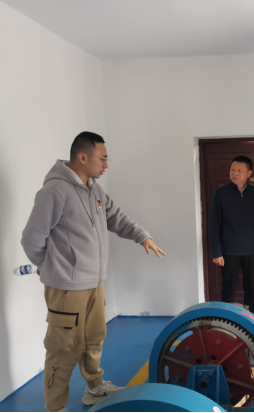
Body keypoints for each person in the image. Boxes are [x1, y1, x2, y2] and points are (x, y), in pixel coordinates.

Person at [21, 132, 166, 412]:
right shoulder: (54, 192)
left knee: (93, 339)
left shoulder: (94, 190)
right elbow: (31, 239)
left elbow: (117, 217)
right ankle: (55, 407)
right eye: (103, 159)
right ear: (82, 157)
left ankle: (95, 389)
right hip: (67, 287)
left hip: (95, 283)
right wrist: (49, 266)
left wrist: (143, 236)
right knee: (63, 348)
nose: (106, 165)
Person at [208, 156, 254, 318]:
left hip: (252, 250)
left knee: (251, 289)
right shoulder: (220, 194)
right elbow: (213, 225)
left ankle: (253, 321)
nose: (235, 173)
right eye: (232, 169)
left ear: (249, 173)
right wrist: (216, 253)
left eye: (239, 170)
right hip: (229, 250)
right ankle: (225, 322)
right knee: (228, 289)